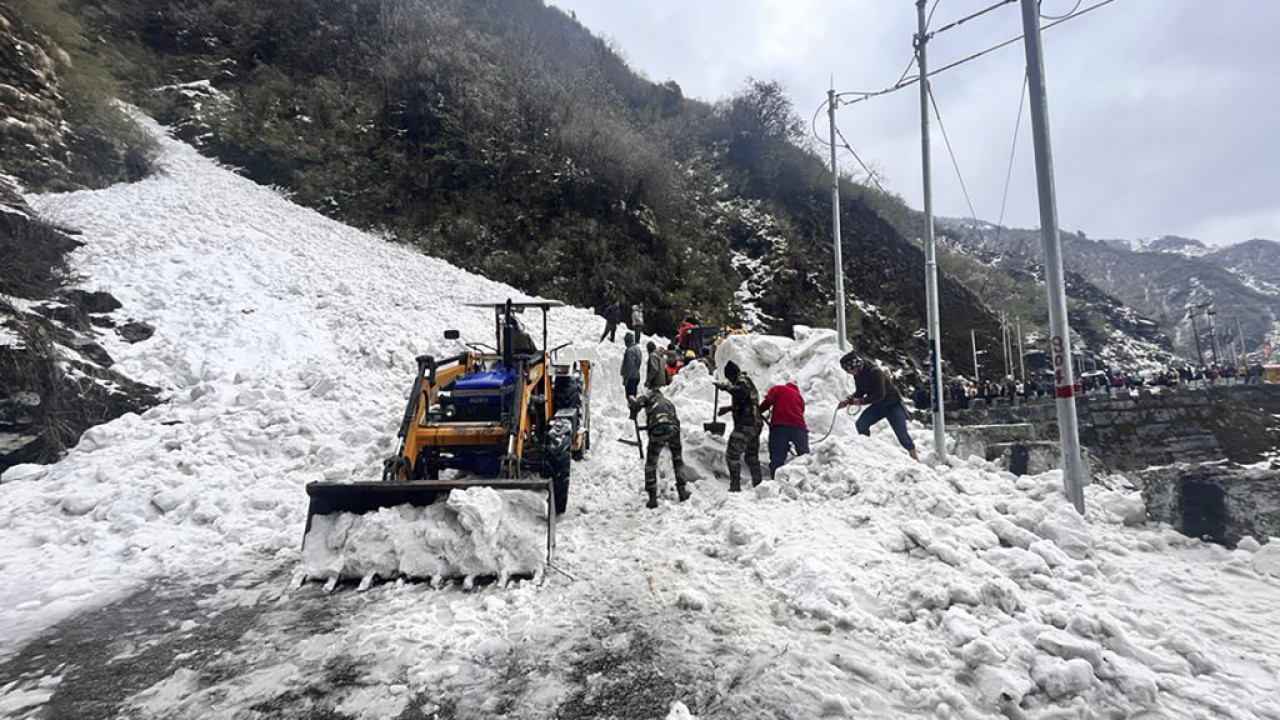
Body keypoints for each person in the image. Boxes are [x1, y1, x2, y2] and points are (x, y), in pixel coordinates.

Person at [837, 352, 918, 460]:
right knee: (861, 424)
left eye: (850, 370)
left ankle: (914, 458)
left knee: (902, 435)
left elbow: (880, 394)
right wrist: (848, 400)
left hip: (892, 404)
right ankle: (868, 450)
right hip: (879, 406)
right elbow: (860, 391)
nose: (851, 373)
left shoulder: (875, 372)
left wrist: (861, 401)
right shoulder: (858, 375)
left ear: (855, 365)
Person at [629, 389, 690, 508]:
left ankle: (652, 498)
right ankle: (682, 491)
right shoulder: (667, 402)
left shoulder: (649, 399)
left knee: (651, 463)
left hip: (658, 428)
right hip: (674, 429)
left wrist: (633, 406)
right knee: (677, 460)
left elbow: (638, 403)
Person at [715, 361, 763, 491]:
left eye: (729, 378)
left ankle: (735, 485)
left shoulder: (741, 381)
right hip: (754, 424)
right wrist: (729, 408)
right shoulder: (746, 381)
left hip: (745, 425)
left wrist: (725, 387)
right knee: (751, 456)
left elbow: (740, 393)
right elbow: (745, 402)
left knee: (732, 455)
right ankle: (759, 485)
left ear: (731, 375)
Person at [760, 381, 808, 477]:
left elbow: (768, 401)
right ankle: (807, 477)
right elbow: (801, 412)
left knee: (777, 457)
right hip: (799, 427)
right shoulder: (800, 397)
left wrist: (759, 410)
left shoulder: (779, 388)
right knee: (804, 456)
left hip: (780, 426)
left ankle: (776, 479)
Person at [621, 332, 643, 398]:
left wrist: (626, 378)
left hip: (631, 378)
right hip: (636, 376)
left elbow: (630, 366)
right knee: (633, 397)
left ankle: (632, 408)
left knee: (630, 398)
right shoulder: (637, 348)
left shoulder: (630, 350)